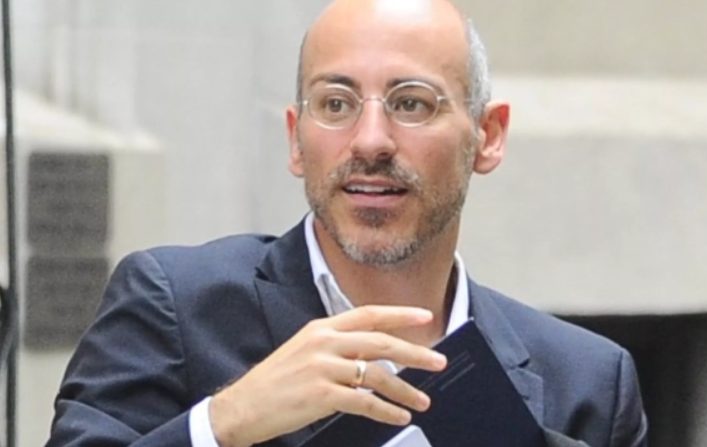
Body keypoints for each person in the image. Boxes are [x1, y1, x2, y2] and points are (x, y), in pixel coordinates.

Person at [46, 0, 648, 446]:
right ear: (296, 140)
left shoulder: (588, 382)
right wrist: (222, 424)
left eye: (411, 103)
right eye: (336, 104)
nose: (370, 141)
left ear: (487, 136)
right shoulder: (174, 306)